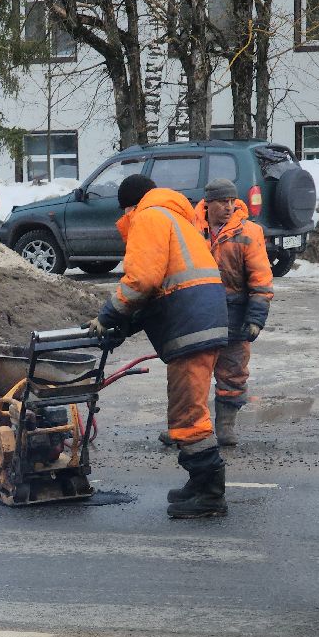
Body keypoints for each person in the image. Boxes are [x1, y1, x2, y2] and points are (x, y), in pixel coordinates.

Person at [89, 173, 229, 518]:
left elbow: (142, 280)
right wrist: (126, 324)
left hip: (191, 324)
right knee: (189, 407)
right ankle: (199, 483)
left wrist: (108, 315)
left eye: (124, 212)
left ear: (129, 206)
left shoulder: (149, 217)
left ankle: (210, 494)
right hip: (201, 318)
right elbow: (162, 287)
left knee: (188, 413)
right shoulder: (174, 217)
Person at [193, 177, 273, 445]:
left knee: (233, 371)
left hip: (234, 315)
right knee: (193, 374)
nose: (229, 207)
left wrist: (255, 319)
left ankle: (225, 426)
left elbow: (261, 280)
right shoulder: (191, 229)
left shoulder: (249, 232)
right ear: (208, 204)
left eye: (231, 201)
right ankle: (188, 427)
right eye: (222, 202)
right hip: (198, 312)